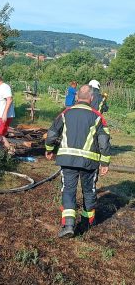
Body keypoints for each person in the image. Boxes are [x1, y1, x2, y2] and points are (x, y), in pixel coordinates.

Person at [45, 85, 111, 238]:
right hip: (89, 162)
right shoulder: (97, 116)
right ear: (92, 98)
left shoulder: (66, 113)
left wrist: (49, 149)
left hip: (67, 160)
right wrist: (105, 162)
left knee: (68, 190)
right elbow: (104, 141)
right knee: (89, 191)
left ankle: (68, 225)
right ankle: (86, 223)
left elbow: (52, 133)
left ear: (76, 97)